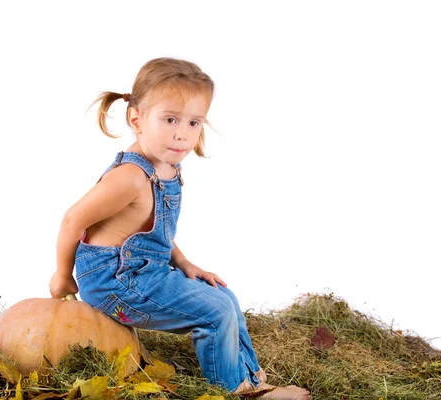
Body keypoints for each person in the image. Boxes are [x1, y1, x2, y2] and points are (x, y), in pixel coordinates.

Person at [49, 57, 311, 399]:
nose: (182, 134)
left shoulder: (166, 166)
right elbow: (73, 219)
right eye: (170, 119)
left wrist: (185, 263)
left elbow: (152, 234)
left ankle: (253, 379)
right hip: (114, 281)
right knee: (214, 313)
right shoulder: (130, 177)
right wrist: (63, 275)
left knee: (223, 297)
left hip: (144, 269)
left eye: (193, 122)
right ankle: (237, 391)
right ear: (136, 119)